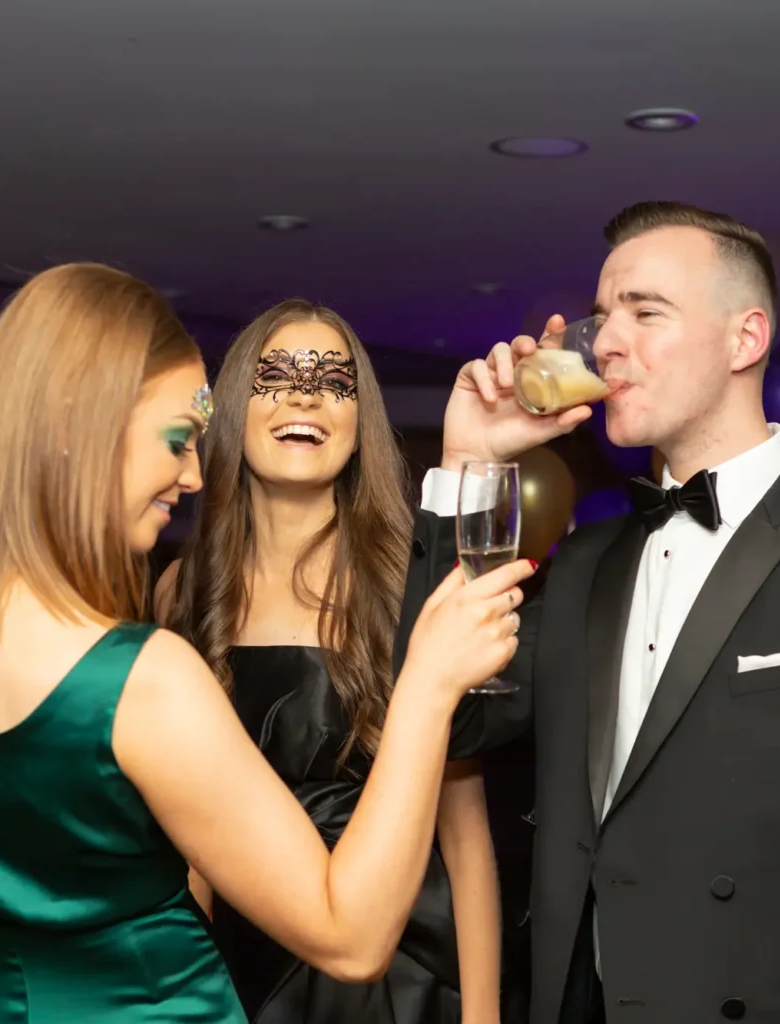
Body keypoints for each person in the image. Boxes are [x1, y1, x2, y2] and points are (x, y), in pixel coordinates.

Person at [0, 263, 534, 1023]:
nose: (192, 475)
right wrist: (427, 690)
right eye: (177, 440)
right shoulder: (140, 674)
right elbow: (350, 937)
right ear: (80, 426)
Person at [396, 201, 780, 1023]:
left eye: (646, 313)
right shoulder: (584, 565)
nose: (606, 341)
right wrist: (469, 461)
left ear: (745, 340)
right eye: (605, 316)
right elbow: (451, 718)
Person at [157, 299, 504, 1024]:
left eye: (333, 380)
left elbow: (464, 831)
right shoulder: (180, 591)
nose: (305, 394)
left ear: (359, 420)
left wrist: (482, 1017)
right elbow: (186, 849)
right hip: (241, 973)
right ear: (231, 411)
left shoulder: (411, 584)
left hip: (403, 975)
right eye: (276, 374)